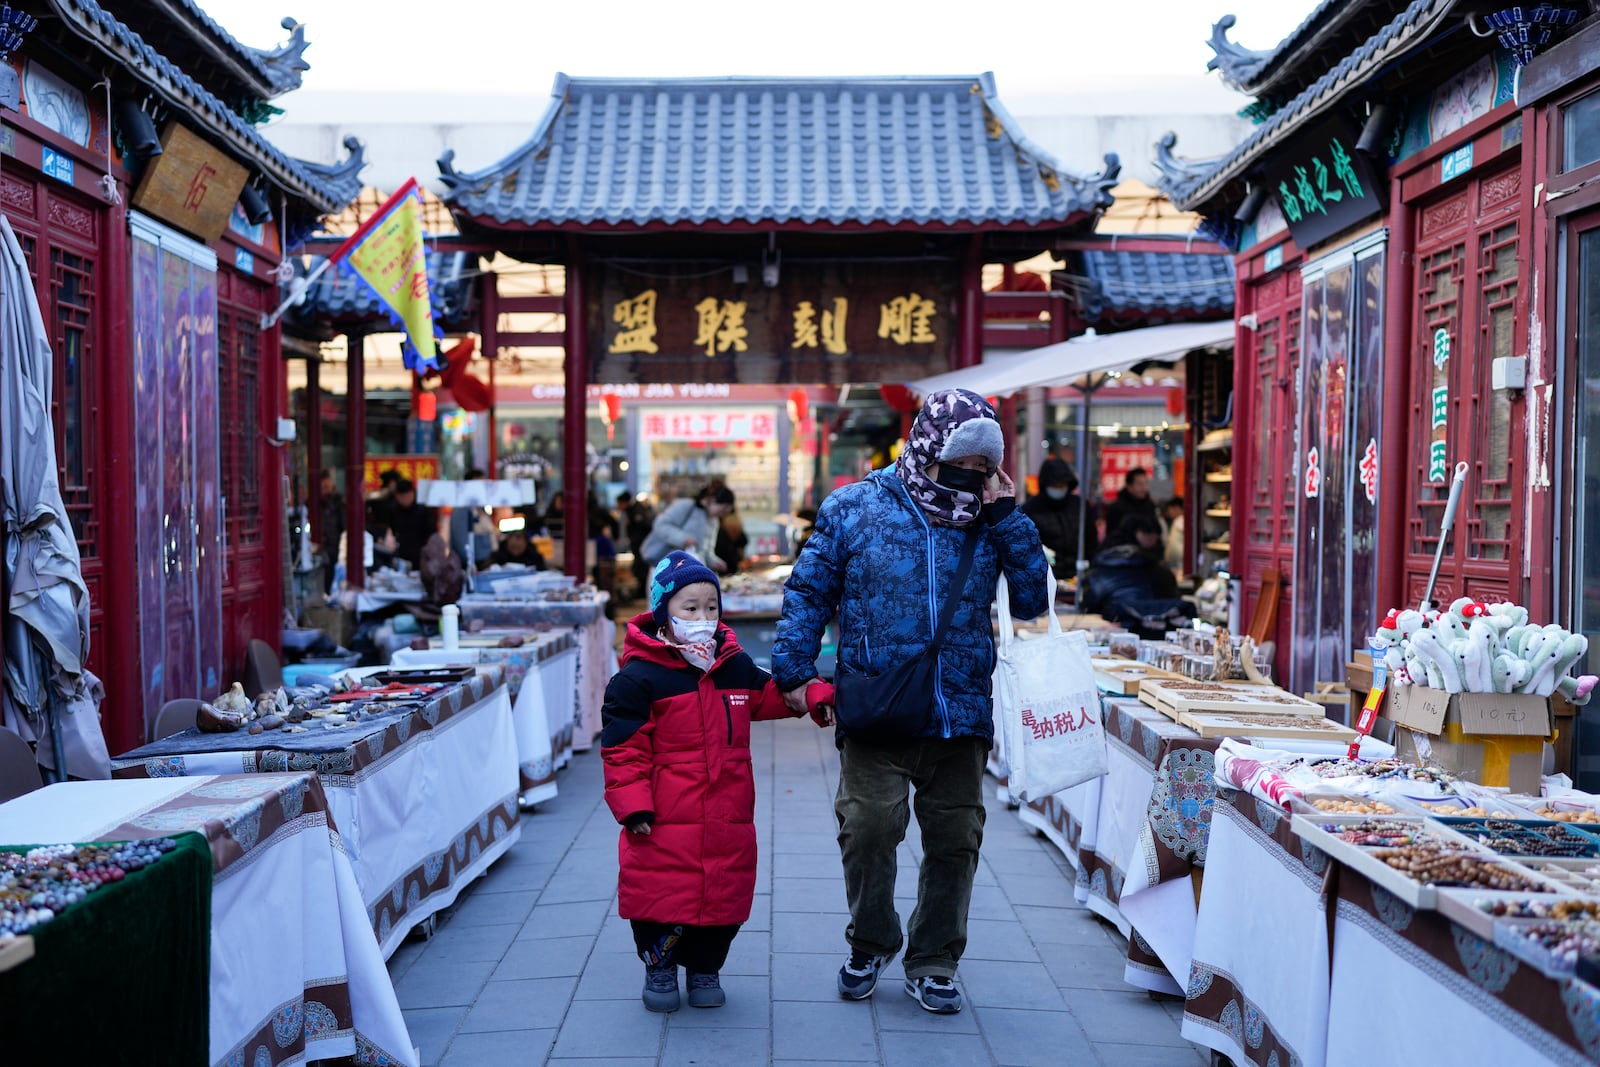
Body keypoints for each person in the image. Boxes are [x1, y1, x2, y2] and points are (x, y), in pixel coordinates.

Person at [772, 388, 1049, 1015]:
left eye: (984, 463)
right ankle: (871, 941)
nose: (973, 474)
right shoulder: (855, 507)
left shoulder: (990, 516)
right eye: (964, 459)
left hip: (960, 709)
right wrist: (793, 670)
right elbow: (809, 590)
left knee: (956, 838)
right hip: (877, 702)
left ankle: (934, 959)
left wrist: (1008, 517)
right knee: (869, 827)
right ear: (928, 446)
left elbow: (1033, 601)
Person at [602, 551, 832, 1013]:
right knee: (660, 896)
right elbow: (623, 750)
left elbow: (771, 695)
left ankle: (706, 968)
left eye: (711, 607)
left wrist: (812, 693)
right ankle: (660, 966)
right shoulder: (639, 678)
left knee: (723, 896)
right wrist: (634, 806)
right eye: (690, 608)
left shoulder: (731, 664)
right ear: (663, 612)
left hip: (727, 812)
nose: (703, 617)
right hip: (665, 816)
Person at [1080, 514, 1189, 636]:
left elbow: (1087, 610)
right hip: (1158, 635)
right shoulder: (1162, 572)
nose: (1152, 540)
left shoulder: (1099, 573)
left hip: (1113, 635)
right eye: (1148, 535)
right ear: (1137, 533)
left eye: (1155, 537)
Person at [1019, 457, 1095, 580]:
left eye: (1062, 485)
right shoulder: (1030, 509)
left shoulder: (1080, 506)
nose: (1059, 488)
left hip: (1079, 573)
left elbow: (1091, 540)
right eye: (1054, 485)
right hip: (1044, 575)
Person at [638, 484, 735, 572]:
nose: (722, 514)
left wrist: (714, 561)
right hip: (664, 566)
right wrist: (684, 539)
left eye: (725, 512)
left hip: (687, 571)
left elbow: (706, 550)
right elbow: (660, 525)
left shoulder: (714, 520)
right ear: (711, 499)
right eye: (722, 509)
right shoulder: (687, 505)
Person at [386, 479, 437, 568]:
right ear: (397, 496)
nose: (405, 499)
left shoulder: (423, 509)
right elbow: (392, 529)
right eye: (402, 497)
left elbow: (431, 532)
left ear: (413, 493)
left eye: (408, 496)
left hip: (421, 553)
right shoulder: (393, 509)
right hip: (401, 552)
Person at [620, 492, 658, 601]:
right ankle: (641, 591)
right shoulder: (635, 510)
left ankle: (642, 591)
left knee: (642, 568)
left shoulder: (636, 510)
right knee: (641, 568)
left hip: (641, 545)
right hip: (640, 545)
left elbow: (643, 527)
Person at [1103, 466, 1157, 538]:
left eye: (1145, 483)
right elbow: (1111, 537)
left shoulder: (1150, 506)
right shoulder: (1116, 508)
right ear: (1129, 486)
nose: (1144, 488)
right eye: (1139, 484)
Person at [318, 471, 344, 593]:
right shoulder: (314, 504)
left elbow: (344, 526)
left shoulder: (339, 502)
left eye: (328, 487)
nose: (326, 491)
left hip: (336, 547)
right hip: (322, 547)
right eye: (323, 487)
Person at [714, 507, 748, 574]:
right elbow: (743, 541)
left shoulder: (722, 523)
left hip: (726, 563)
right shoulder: (734, 520)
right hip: (728, 563)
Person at [1161, 497, 1185, 575]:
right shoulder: (1177, 520)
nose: (1168, 512)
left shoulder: (1182, 520)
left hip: (1181, 563)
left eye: (1169, 509)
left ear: (1176, 508)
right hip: (1174, 564)